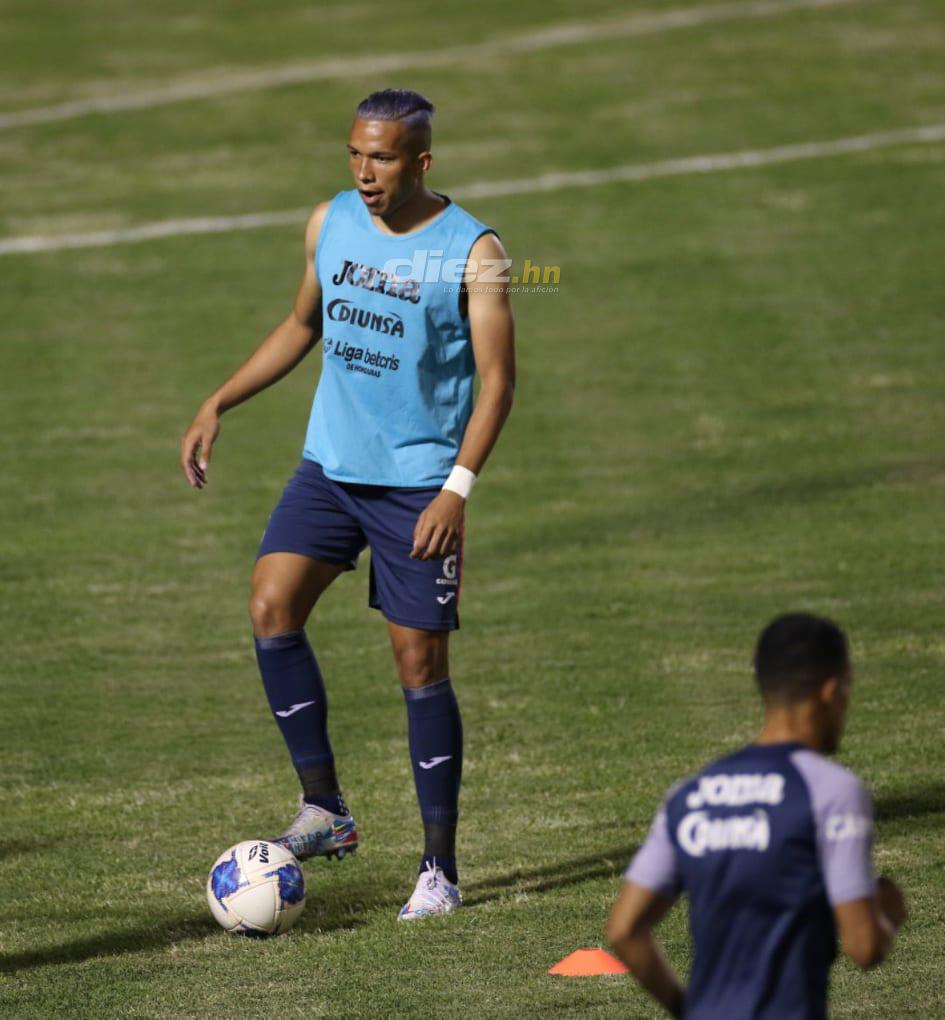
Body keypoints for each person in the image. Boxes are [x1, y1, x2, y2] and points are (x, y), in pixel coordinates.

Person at [180, 88, 515, 919]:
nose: (365, 173)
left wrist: (455, 491)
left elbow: (498, 385)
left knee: (418, 668)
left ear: (422, 161)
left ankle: (439, 870)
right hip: (329, 469)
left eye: (384, 158)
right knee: (270, 605)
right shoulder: (328, 221)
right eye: (356, 155)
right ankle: (325, 811)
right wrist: (219, 400)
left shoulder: (473, 251)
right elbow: (303, 326)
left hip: (417, 489)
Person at [608, 612, 907, 1018]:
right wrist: (885, 916)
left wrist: (688, 1008)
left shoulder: (689, 795)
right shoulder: (832, 792)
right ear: (830, 691)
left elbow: (625, 930)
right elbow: (864, 947)